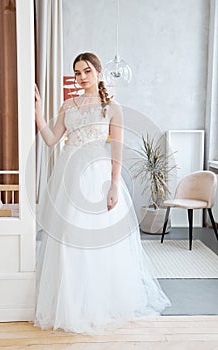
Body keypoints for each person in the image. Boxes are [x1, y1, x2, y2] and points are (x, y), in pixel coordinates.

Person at [34, 52, 171, 334]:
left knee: (95, 240)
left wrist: (113, 184)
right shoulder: (67, 106)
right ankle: (71, 304)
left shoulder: (112, 107)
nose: (81, 77)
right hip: (68, 175)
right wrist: (37, 113)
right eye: (76, 72)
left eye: (86, 71)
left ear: (98, 72)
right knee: (67, 239)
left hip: (95, 176)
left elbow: (117, 149)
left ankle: (97, 303)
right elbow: (50, 140)